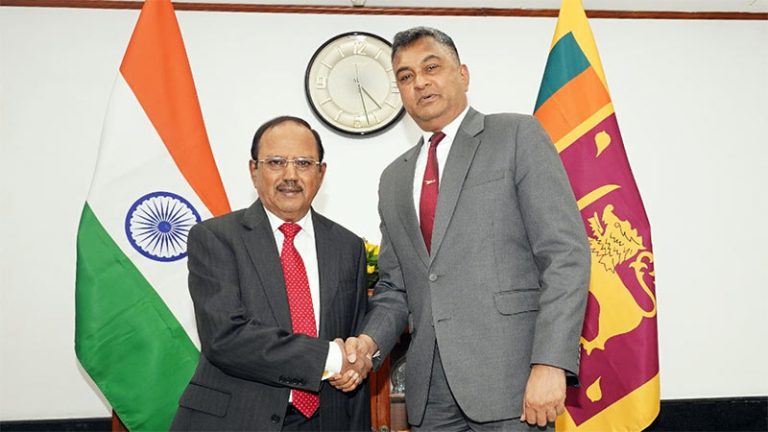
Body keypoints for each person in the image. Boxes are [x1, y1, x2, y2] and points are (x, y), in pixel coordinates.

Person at [339, 27, 590, 431]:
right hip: (428, 394)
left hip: (514, 384)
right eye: (405, 76)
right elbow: (395, 288)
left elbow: (565, 255)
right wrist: (369, 343)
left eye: (431, 66)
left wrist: (550, 362)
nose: (419, 82)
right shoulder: (394, 179)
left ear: (463, 74)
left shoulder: (515, 135)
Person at [171, 116, 370, 431]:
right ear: (254, 170)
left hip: (326, 421)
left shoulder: (348, 247)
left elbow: (353, 336)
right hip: (238, 419)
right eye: (276, 162)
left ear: (321, 173)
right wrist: (331, 359)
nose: (290, 175)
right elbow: (225, 338)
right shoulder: (215, 238)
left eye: (304, 163)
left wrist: (355, 363)